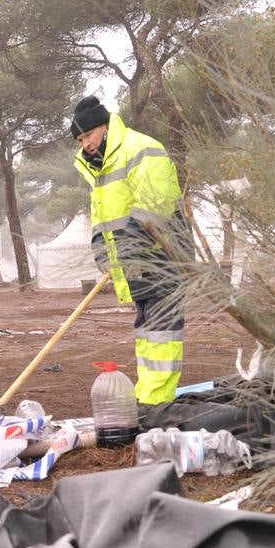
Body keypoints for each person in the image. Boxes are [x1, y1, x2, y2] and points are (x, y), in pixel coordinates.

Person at [70, 96, 193, 407]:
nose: (85, 144)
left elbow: (155, 205)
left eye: (89, 135)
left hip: (162, 257)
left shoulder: (141, 149)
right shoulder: (100, 168)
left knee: (162, 332)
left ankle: (155, 403)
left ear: (106, 126)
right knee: (147, 331)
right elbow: (102, 219)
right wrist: (104, 255)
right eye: (81, 139)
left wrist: (127, 250)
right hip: (135, 263)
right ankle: (148, 398)